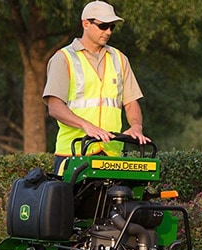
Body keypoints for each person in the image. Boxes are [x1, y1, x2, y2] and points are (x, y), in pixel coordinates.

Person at [43, 1, 149, 173]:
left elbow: (131, 102)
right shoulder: (63, 58)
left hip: (112, 155)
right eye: (103, 26)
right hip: (74, 153)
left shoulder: (120, 59)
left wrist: (137, 126)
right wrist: (86, 126)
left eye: (111, 27)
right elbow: (54, 107)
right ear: (86, 24)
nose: (108, 32)